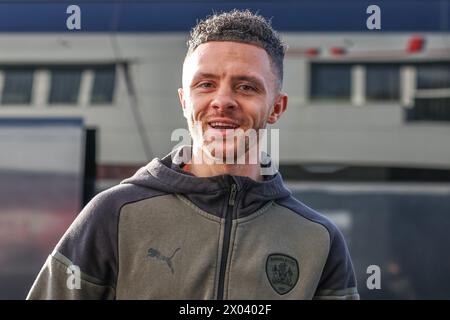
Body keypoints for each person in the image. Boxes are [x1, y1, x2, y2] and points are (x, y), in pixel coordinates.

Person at [27, 9, 359, 300]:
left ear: (276, 107)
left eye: (246, 86)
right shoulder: (113, 216)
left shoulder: (319, 241)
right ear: (185, 101)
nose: (223, 101)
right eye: (206, 84)